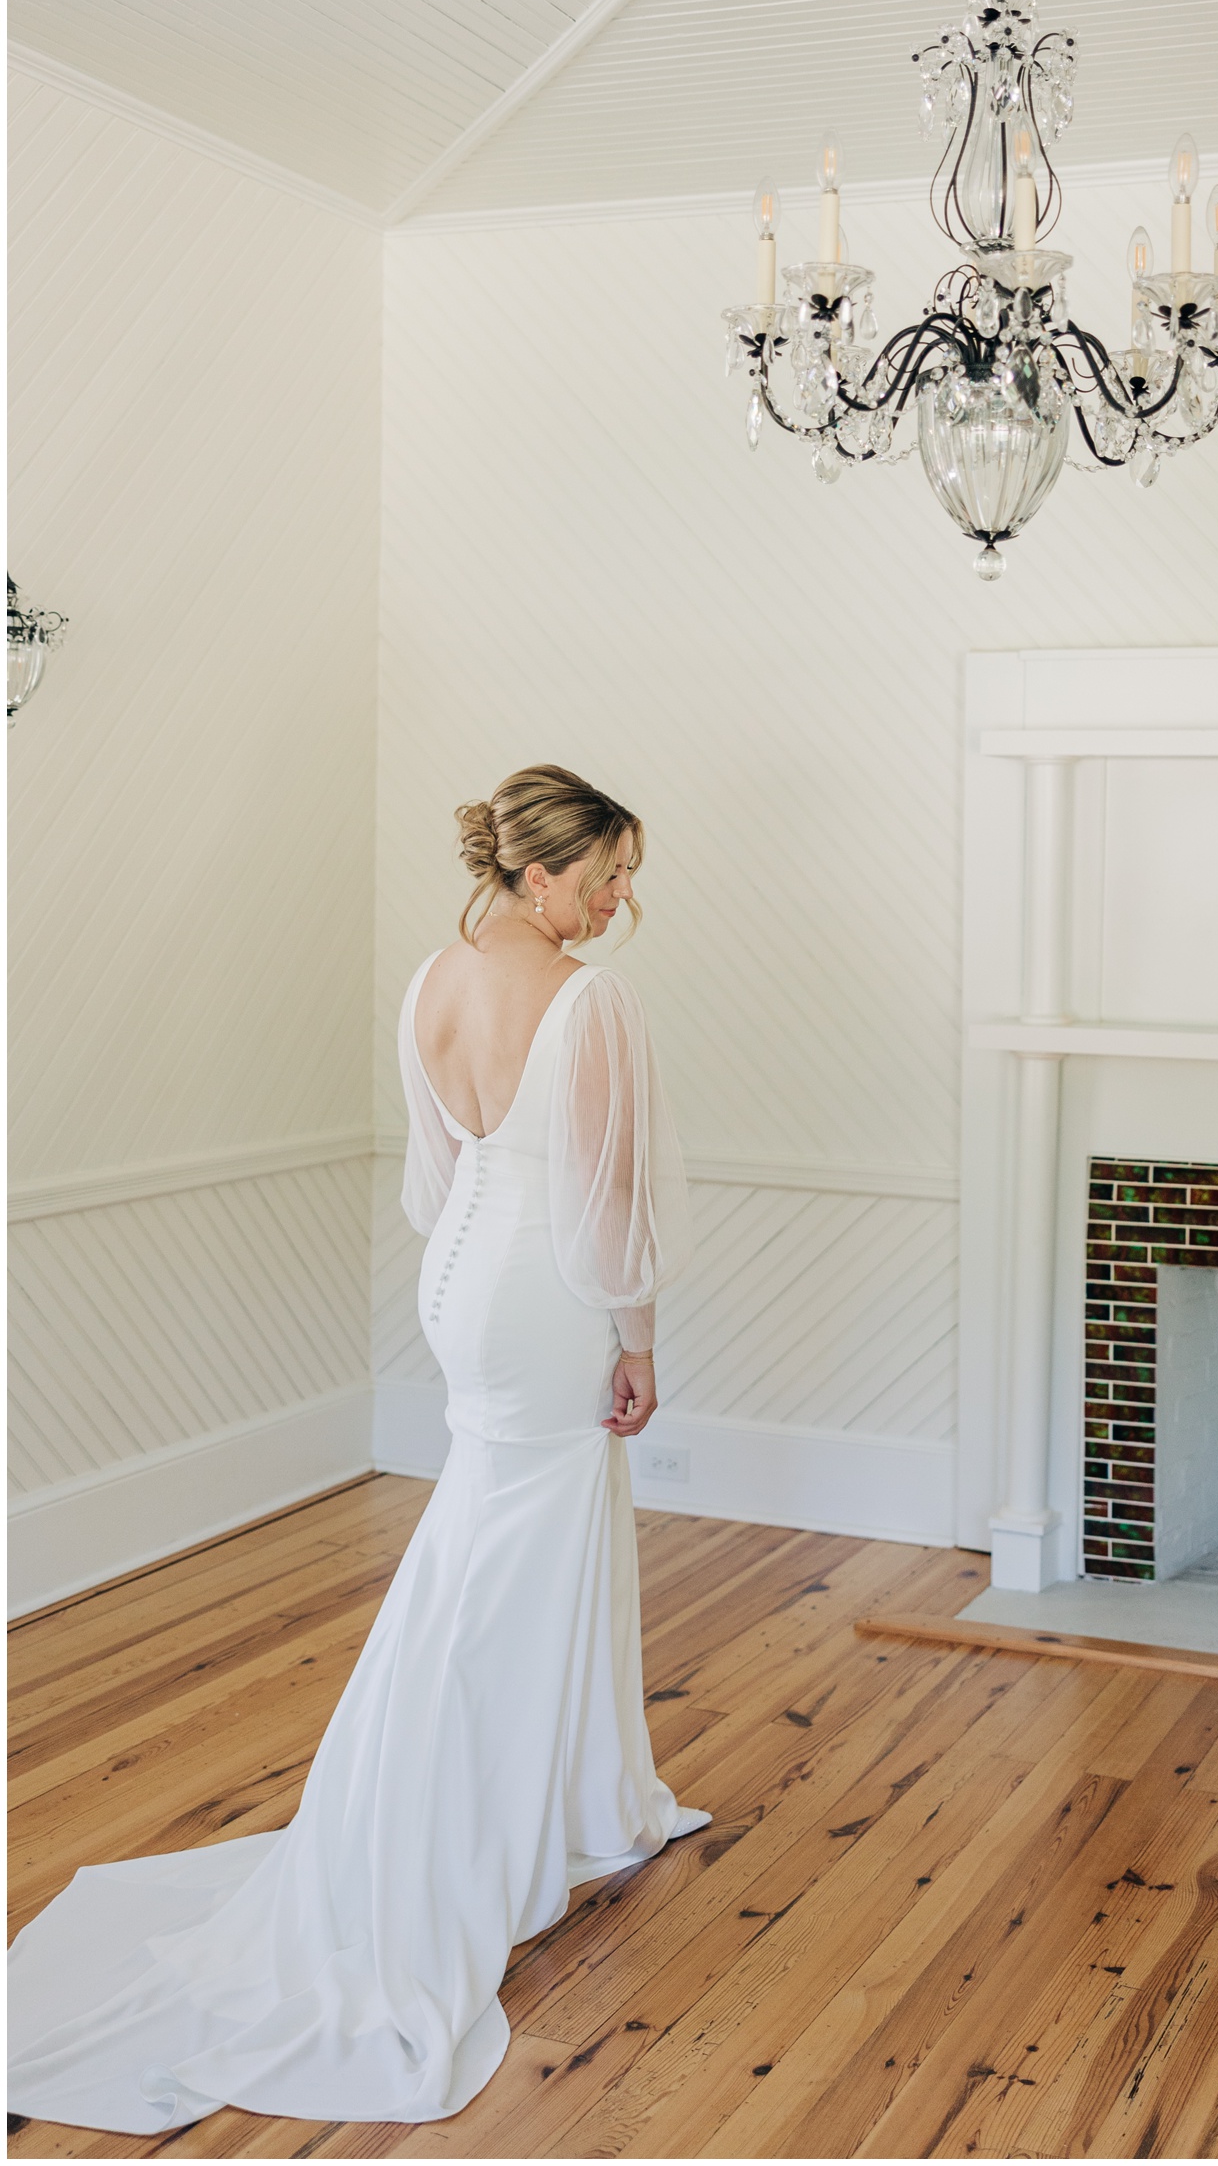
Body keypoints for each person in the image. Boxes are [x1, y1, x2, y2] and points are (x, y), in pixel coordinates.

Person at [9, 764, 706, 2132]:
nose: (627, 902)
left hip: (465, 1282)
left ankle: (569, 1791)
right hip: (552, 1290)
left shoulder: (433, 981)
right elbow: (610, 1195)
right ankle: (478, 1826)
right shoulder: (585, 1000)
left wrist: (479, 1281)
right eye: (612, 874)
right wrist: (636, 1339)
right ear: (544, 873)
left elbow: (443, 1166)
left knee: (495, 1535)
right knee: (527, 1547)